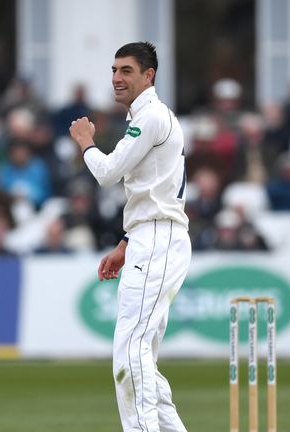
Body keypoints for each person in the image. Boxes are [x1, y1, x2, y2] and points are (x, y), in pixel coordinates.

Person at [69, 41, 191, 432]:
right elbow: (155, 187)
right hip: (148, 238)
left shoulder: (151, 116)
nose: (116, 78)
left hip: (157, 240)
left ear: (148, 75)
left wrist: (86, 142)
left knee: (128, 355)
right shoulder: (151, 117)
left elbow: (108, 172)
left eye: (126, 71)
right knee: (141, 361)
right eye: (114, 70)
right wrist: (125, 242)